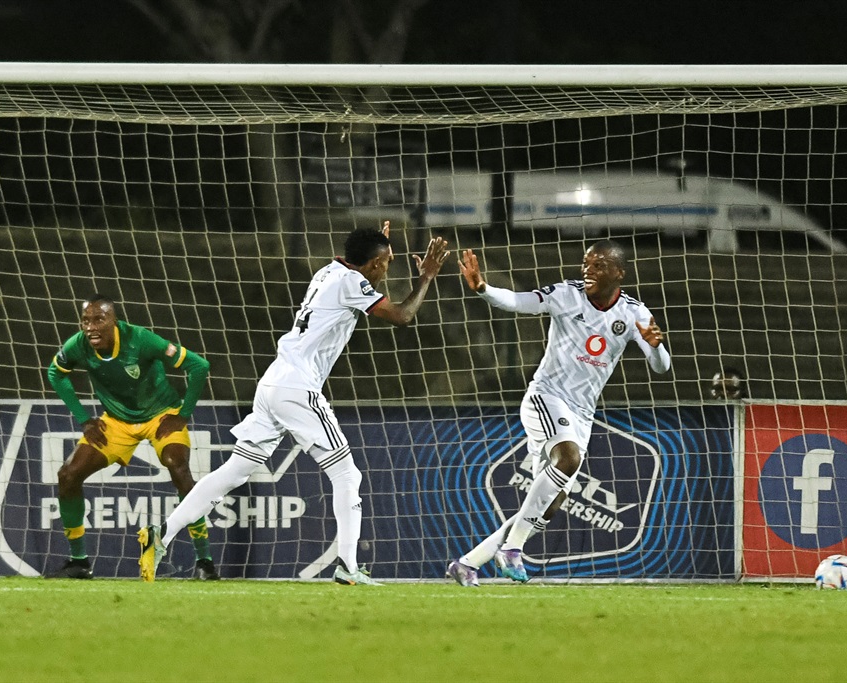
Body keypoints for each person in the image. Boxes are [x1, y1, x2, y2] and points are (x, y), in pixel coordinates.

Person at [139, 222, 450, 585]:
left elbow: (366, 279)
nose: (388, 268)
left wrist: (378, 251)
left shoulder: (329, 272)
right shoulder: (352, 283)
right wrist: (426, 277)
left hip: (273, 381)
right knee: (347, 474)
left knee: (234, 471)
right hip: (297, 388)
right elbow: (402, 316)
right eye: (386, 262)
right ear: (373, 265)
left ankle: (161, 535)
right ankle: (349, 568)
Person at [447, 240, 671, 586]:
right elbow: (520, 302)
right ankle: (513, 549)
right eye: (586, 263)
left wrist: (655, 347)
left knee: (549, 504)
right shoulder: (567, 295)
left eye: (598, 265)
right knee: (569, 459)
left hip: (582, 413)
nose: (588, 270)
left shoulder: (633, 313)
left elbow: (661, 366)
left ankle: (468, 562)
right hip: (546, 397)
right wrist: (483, 289)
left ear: (618, 273)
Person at [46, 294, 217, 580]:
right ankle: (78, 562)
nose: (91, 327)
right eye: (86, 321)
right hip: (116, 422)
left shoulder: (141, 340)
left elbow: (199, 366)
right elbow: (55, 373)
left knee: (178, 467)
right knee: (68, 475)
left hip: (161, 416)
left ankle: (205, 562)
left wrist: (183, 414)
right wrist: (84, 419)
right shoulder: (78, 345)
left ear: (114, 321)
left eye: (99, 320)